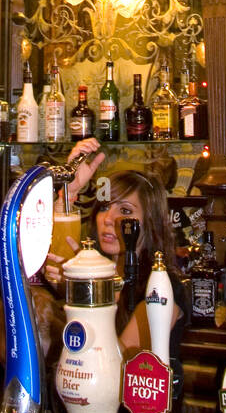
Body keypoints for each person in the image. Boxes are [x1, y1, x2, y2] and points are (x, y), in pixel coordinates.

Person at [44, 139, 187, 398]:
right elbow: (47, 244)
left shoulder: (162, 288)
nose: (109, 219)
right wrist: (70, 189)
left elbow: (115, 370)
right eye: (105, 207)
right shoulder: (101, 272)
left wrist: (82, 294)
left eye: (125, 210)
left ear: (150, 221)